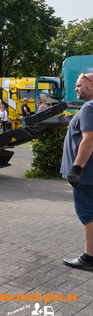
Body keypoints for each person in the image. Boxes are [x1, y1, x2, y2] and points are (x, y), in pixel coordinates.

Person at [61, 73, 93, 270]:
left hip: (86, 175)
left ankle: (89, 258)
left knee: (88, 215)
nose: (76, 89)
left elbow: (89, 139)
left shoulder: (90, 107)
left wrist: (77, 167)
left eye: (79, 85)